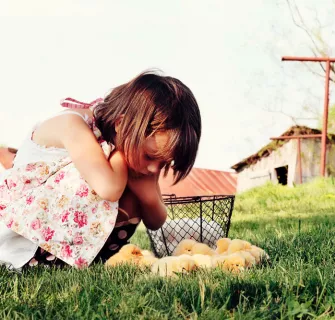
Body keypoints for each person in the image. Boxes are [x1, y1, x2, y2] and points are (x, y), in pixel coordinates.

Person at [0, 69, 202, 271]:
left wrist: (147, 195)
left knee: (132, 192)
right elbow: (109, 188)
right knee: (114, 180)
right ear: (121, 124)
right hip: (24, 240)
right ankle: (52, 260)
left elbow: (156, 220)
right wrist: (121, 158)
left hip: (65, 240)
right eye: (150, 157)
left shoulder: (135, 146)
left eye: (165, 163)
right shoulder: (72, 124)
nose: (153, 168)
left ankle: (88, 258)